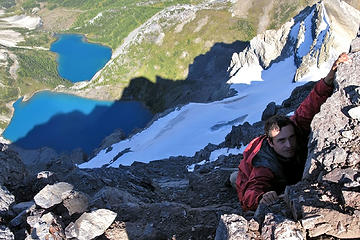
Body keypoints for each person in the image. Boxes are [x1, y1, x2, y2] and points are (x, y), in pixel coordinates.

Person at [230, 53, 350, 211]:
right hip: (268, 175)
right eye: (281, 141)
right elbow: (251, 192)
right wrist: (261, 197)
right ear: (270, 143)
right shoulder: (264, 164)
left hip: (288, 174)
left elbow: (310, 105)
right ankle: (231, 178)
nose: (289, 144)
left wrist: (328, 79)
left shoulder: (295, 125)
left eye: (291, 137)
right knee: (237, 180)